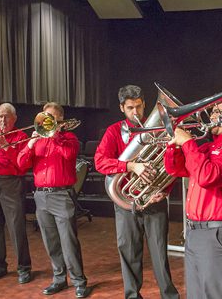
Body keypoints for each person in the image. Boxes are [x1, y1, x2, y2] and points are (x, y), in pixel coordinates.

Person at [164, 100, 222, 299]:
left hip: (220, 234)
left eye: (216, 111)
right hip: (197, 232)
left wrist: (188, 143)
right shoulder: (207, 147)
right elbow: (176, 169)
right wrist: (174, 145)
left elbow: (207, 176)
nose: (210, 116)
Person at [94, 85, 179, 299]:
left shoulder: (158, 129)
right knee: (129, 253)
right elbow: (100, 162)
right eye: (130, 107)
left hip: (155, 200)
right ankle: (132, 296)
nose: (136, 112)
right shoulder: (114, 131)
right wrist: (131, 166)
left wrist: (165, 191)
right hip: (126, 203)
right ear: (122, 107)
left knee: (160, 254)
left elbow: (170, 164)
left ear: (145, 105)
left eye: (139, 107)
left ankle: (169, 296)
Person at [17, 102, 90, 298]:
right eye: (44, 116)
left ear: (60, 121)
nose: (46, 120)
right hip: (41, 195)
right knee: (51, 242)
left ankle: (79, 281)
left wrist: (55, 135)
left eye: (51, 117)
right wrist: (30, 144)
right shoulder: (37, 141)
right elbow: (21, 164)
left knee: (69, 242)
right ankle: (59, 279)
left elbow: (69, 155)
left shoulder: (70, 139)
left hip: (62, 195)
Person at [0, 103, 32, 284]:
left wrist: (5, 146)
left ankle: (24, 267)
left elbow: (22, 164)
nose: (3, 120)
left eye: (6, 116)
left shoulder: (21, 136)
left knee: (16, 227)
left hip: (12, 183)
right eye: (0, 116)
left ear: (14, 118)